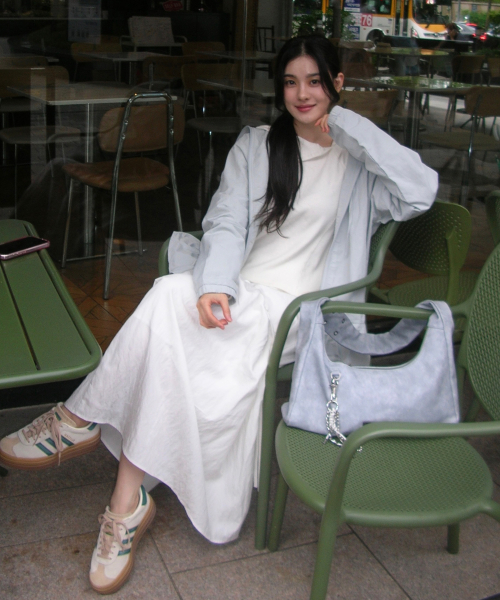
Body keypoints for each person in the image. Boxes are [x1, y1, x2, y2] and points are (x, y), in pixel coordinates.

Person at [0, 35, 438, 595]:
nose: (302, 94)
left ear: (337, 84)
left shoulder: (361, 165)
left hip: (298, 313)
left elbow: (420, 190)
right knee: (170, 304)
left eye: (315, 81)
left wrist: (348, 124)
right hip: (238, 291)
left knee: (168, 315)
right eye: (290, 82)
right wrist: (216, 286)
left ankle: (79, 420)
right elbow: (227, 221)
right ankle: (123, 500)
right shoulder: (258, 145)